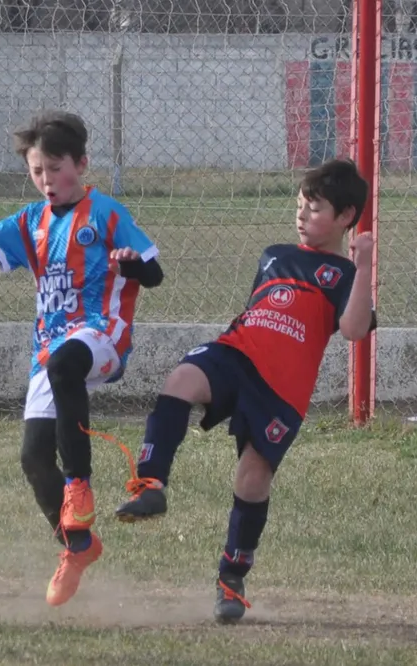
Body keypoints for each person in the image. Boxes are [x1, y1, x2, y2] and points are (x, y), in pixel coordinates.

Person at [114, 158, 376, 623]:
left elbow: (355, 330)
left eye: (314, 208)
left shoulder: (343, 276)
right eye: (300, 204)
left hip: (282, 388)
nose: (301, 215)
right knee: (181, 381)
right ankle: (151, 483)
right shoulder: (274, 254)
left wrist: (364, 264)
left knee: (252, 479)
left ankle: (231, 580)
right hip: (237, 351)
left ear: (346, 217)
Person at [0, 110, 163, 607]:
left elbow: (156, 273)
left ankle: (80, 485)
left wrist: (134, 264)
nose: (46, 180)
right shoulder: (31, 221)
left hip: (103, 334)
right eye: (37, 171)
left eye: (55, 168)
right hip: (51, 347)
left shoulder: (106, 213)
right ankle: (76, 545)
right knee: (34, 459)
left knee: (64, 366)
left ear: (81, 163)